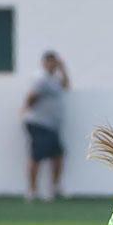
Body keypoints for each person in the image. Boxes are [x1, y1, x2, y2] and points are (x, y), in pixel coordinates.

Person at [22, 51, 70, 201]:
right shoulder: (41, 78)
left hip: (51, 125)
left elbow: (66, 85)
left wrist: (63, 68)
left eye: (55, 62)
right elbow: (31, 96)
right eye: (50, 62)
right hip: (39, 123)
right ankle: (32, 190)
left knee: (58, 155)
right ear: (44, 63)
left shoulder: (54, 79)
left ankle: (55, 187)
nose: (53, 65)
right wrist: (26, 109)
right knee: (37, 156)